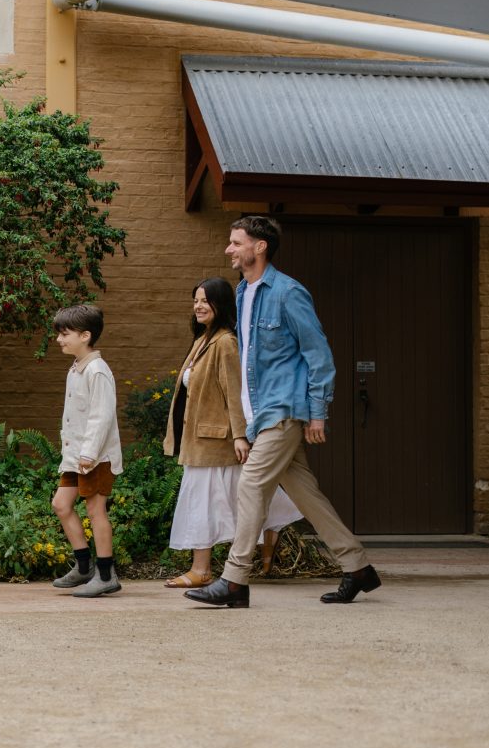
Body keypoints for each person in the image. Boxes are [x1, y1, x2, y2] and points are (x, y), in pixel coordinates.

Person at [186, 216, 381, 609]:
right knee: (307, 495)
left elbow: (319, 355)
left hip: (285, 408)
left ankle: (234, 580)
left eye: (236, 242)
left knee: (251, 484)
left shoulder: (289, 293)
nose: (229, 249)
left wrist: (317, 412)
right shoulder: (243, 292)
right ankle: (357, 566)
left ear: (259, 247)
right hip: (262, 413)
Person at [163, 277, 303, 589]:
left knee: (206, 502)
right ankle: (272, 527)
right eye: (196, 299)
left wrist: (241, 435)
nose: (198, 306)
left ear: (221, 305)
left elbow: (236, 392)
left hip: (216, 441)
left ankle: (201, 569)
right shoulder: (203, 339)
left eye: (205, 300)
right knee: (234, 496)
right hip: (201, 440)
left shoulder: (225, 342)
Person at [49, 304, 123, 598]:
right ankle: (84, 567)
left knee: (95, 510)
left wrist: (89, 454)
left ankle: (106, 575)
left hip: (95, 457)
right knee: (61, 505)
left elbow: (102, 416)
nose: (59, 339)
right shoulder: (76, 368)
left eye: (65, 334)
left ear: (85, 335)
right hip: (75, 457)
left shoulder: (97, 371)